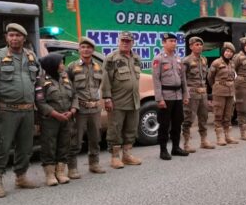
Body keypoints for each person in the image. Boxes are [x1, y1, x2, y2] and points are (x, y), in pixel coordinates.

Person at [0, 23, 40, 197]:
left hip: (28, 110)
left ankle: (21, 177)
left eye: (18, 35)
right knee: (1, 146)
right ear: (6, 38)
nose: (14, 38)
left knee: (25, 147)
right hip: (6, 110)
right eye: (11, 35)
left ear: (24, 38)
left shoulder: (31, 56)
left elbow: (38, 80)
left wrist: (39, 104)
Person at [101, 31, 143, 168]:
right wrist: (107, 98)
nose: (125, 43)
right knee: (115, 129)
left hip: (134, 101)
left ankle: (127, 155)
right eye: (123, 41)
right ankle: (114, 157)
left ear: (132, 43)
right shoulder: (111, 58)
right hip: (117, 101)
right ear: (118, 42)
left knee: (131, 129)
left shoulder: (136, 58)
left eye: (128, 41)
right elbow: (105, 80)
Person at [67, 36, 106, 178]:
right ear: (79, 49)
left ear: (92, 50)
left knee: (95, 138)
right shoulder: (72, 67)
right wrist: (72, 107)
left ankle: (94, 164)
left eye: (88, 47)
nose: (86, 49)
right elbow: (68, 88)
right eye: (83, 47)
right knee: (75, 139)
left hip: (95, 109)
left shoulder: (98, 67)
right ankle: (72, 168)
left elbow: (100, 86)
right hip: (80, 109)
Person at [36, 53, 78, 186]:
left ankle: (60, 172)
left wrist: (73, 110)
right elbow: (40, 102)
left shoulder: (65, 78)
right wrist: (55, 114)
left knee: (64, 144)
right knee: (49, 146)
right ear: (52, 65)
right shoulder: (41, 81)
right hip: (50, 120)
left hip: (67, 118)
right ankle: (50, 174)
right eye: (60, 63)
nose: (63, 66)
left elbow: (75, 95)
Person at [152, 33, 189, 160]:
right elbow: (156, 80)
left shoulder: (179, 58)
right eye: (171, 41)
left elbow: (183, 78)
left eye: (175, 41)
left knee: (177, 123)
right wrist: (159, 98)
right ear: (164, 42)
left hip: (178, 95)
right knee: (164, 124)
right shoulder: (159, 59)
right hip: (166, 96)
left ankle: (176, 147)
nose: (174, 43)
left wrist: (185, 95)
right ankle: (163, 150)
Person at [182, 36, 215, 152]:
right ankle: (186, 144)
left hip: (203, 94)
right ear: (191, 46)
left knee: (204, 118)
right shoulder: (186, 61)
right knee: (189, 119)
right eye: (196, 44)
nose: (199, 46)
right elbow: (183, 79)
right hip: (192, 94)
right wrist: (185, 95)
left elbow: (206, 78)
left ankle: (203, 141)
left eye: (201, 45)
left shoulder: (204, 59)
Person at [207, 42, 237, 146]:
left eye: (231, 52)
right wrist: (215, 87)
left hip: (230, 92)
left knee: (228, 115)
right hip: (219, 92)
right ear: (223, 51)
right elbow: (210, 77)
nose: (229, 54)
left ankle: (228, 136)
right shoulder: (216, 63)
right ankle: (219, 137)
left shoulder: (232, 63)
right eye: (227, 51)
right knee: (218, 115)